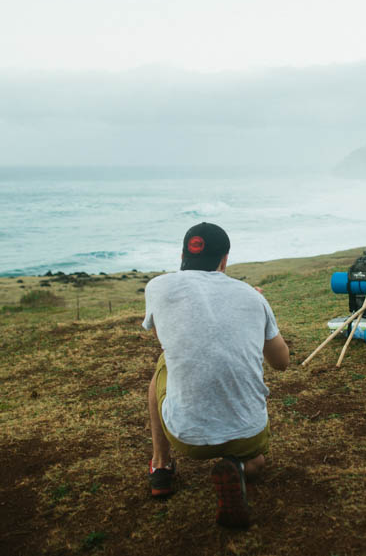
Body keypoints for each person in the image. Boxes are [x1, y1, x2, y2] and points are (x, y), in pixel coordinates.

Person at [143, 222, 290, 528]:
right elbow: (281, 362)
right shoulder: (252, 296)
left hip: (187, 438)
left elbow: (164, 336)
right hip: (249, 431)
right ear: (224, 260)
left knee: (163, 366)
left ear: (182, 254)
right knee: (256, 460)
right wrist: (252, 307)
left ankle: (161, 467)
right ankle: (240, 465)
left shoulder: (158, 287)